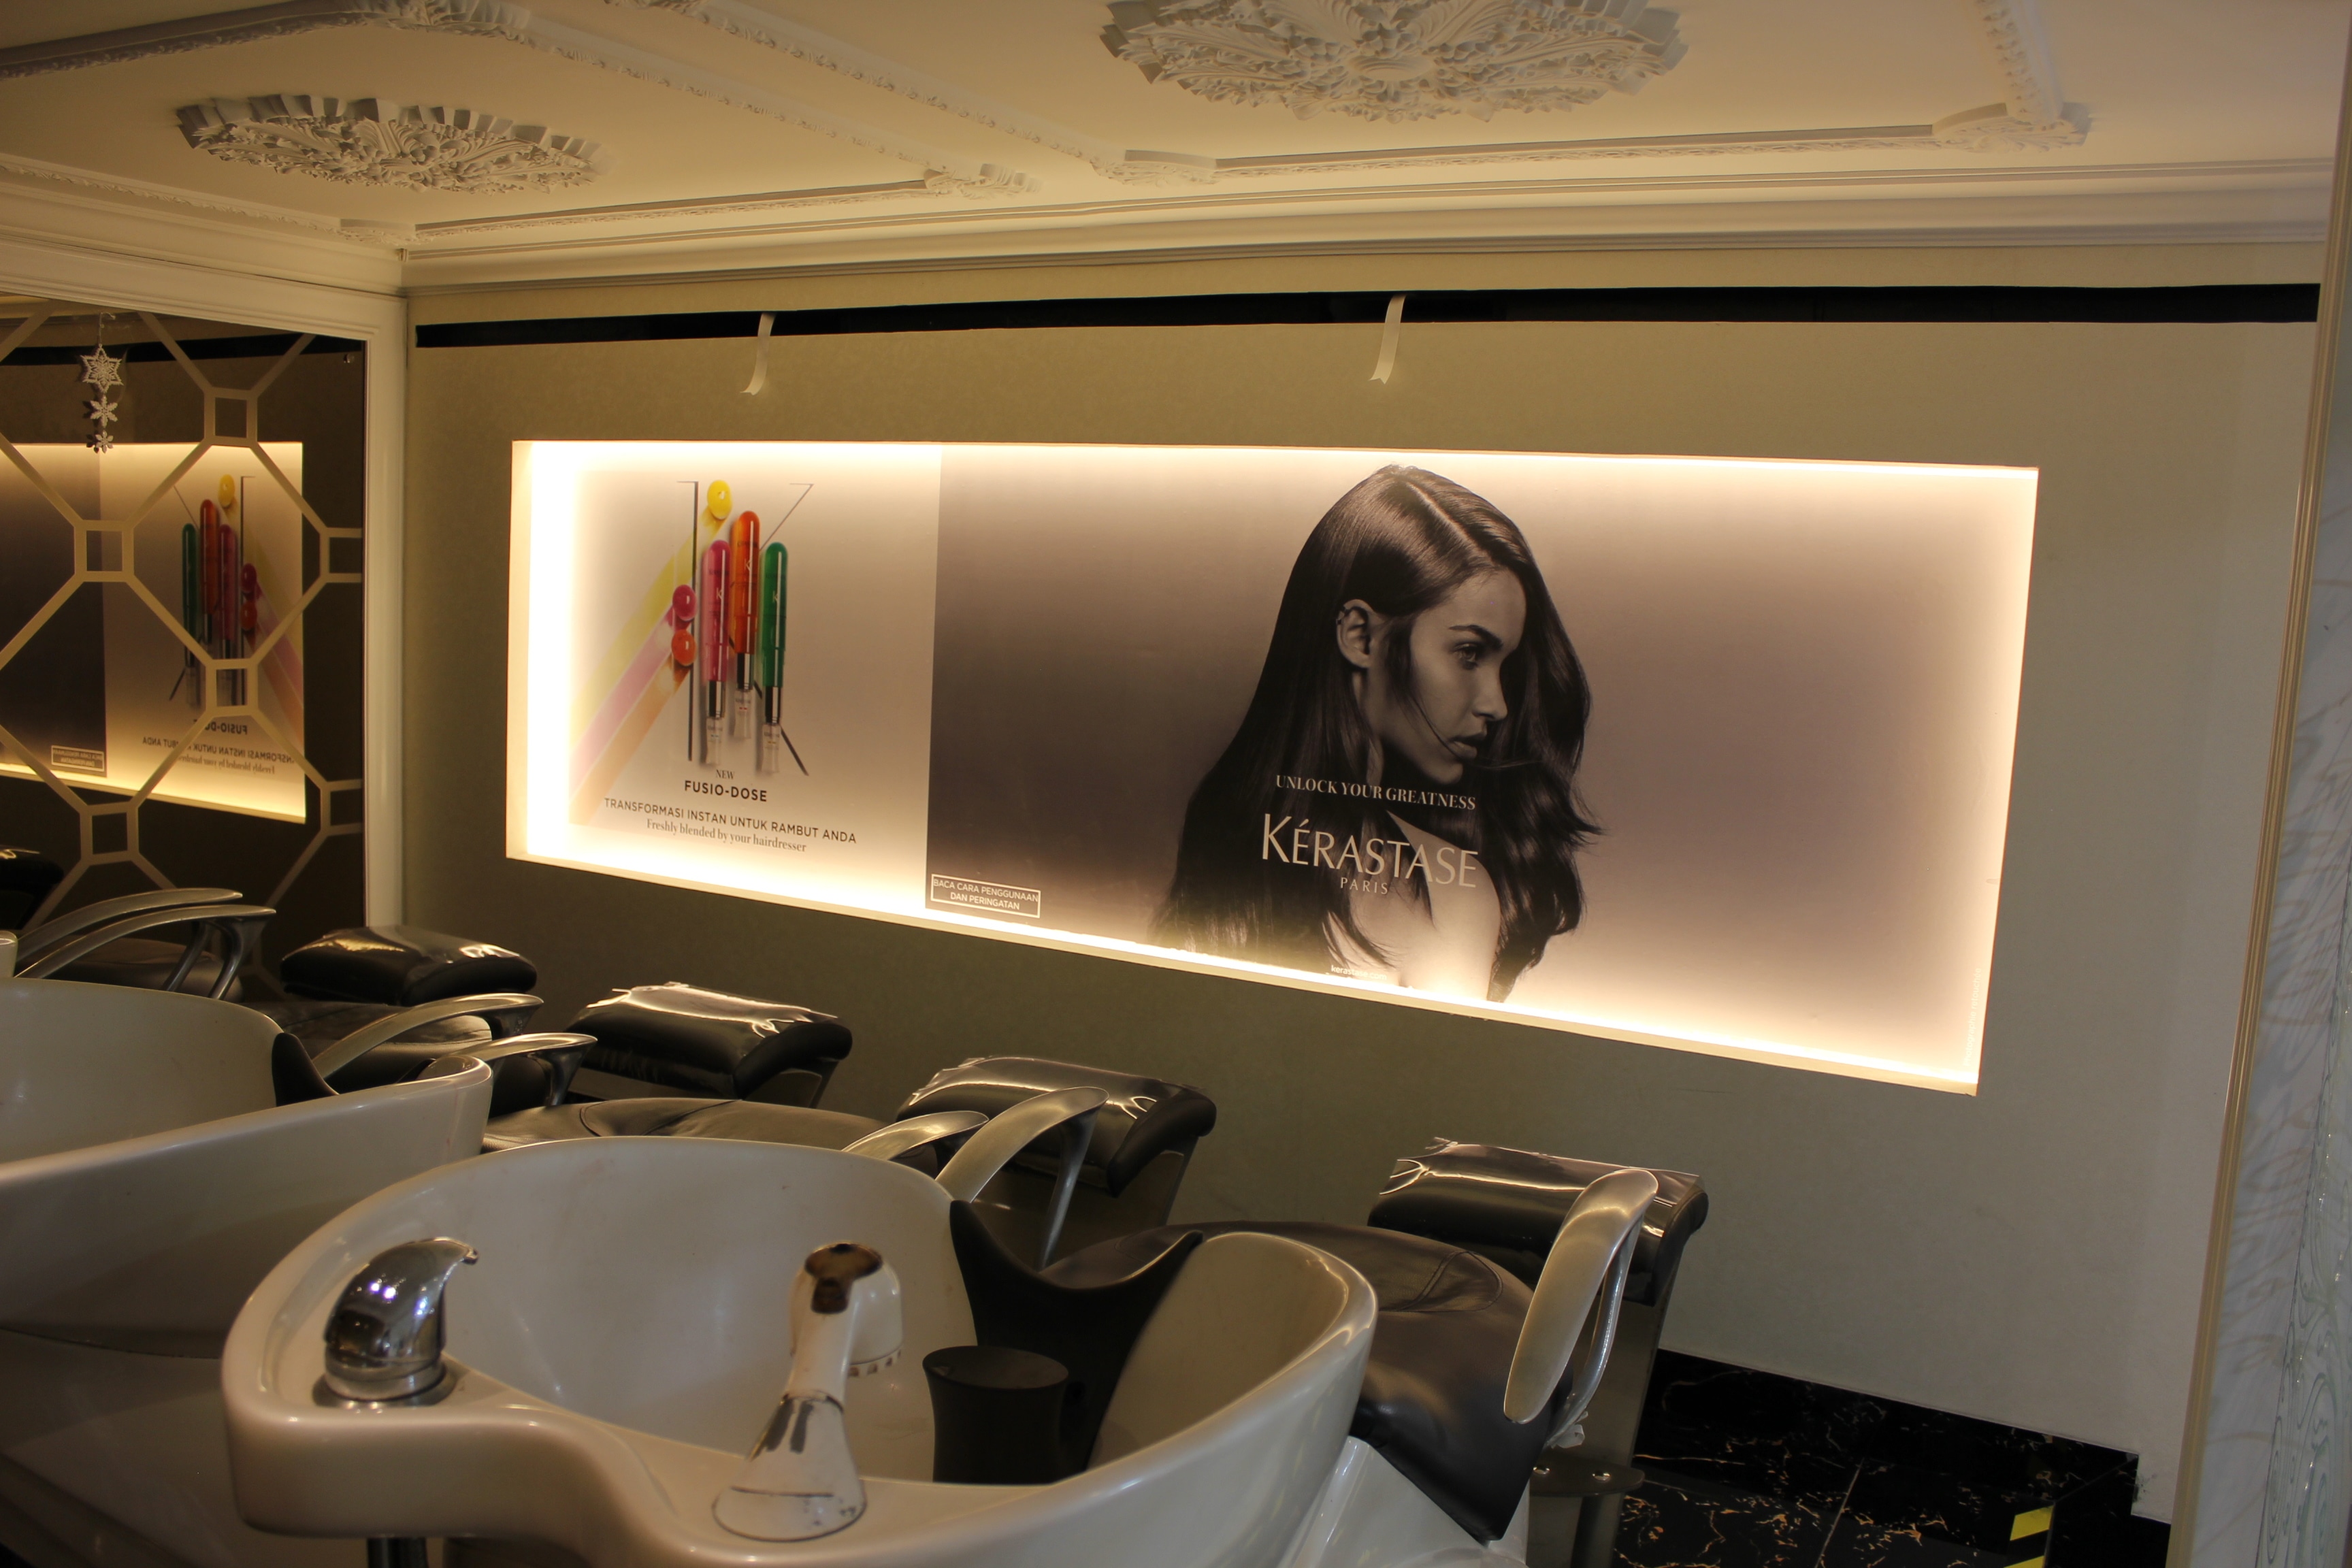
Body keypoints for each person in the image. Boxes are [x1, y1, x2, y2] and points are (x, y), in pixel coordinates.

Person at [1155, 464, 1597, 1002]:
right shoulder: (1219, 842)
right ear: (1360, 636)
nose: (1498, 704)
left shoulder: (1455, 891)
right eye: (1468, 653)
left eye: (1503, 665)